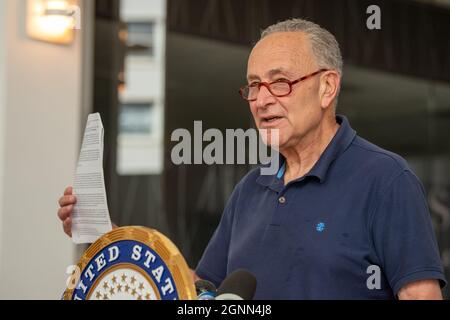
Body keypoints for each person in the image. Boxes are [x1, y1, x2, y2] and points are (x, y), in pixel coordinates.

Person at [58, 18, 446, 299]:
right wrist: (113, 240)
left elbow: (420, 296)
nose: (261, 100)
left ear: (327, 87)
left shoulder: (385, 178)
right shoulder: (250, 188)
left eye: (279, 83)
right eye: (254, 86)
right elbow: (203, 291)